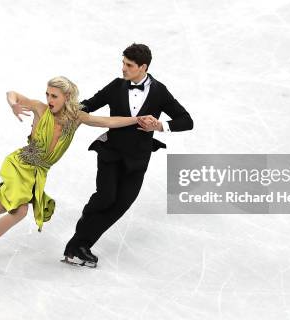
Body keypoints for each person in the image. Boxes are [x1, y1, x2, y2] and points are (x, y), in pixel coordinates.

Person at [0, 76, 153, 272]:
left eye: (54, 96)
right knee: (19, 211)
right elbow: (14, 93)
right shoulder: (40, 109)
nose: (49, 100)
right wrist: (13, 104)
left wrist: (136, 119)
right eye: (48, 94)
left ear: (67, 98)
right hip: (21, 165)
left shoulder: (75, 118)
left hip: (38, 173)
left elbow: (105, 121)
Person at [63, 43, 193, 268]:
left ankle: (80, 244)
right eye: (123, 63)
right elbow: (90, 104)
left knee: (120, 205)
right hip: (111, 153)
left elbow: (186, 121)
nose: (123, 68)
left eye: (128, 65)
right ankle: (79, 242)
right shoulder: (116, 86)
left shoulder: (159, 91)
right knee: (105, 197)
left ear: (143, 67)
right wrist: (65, 110)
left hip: (137, 160)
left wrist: (160, 126)